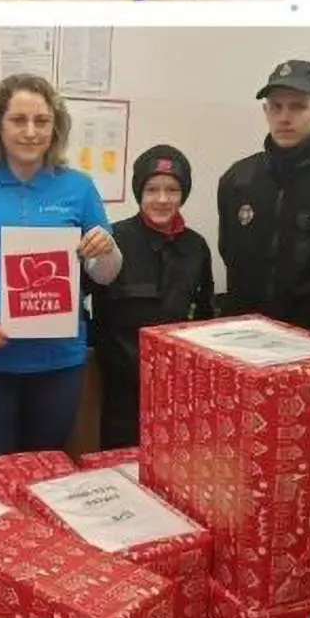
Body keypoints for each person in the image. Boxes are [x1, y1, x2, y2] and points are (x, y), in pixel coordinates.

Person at [0, 74, 122, 456]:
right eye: (18, 120)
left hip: (58, 361)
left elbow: (104, 273)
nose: (30, 132)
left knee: (46, 471)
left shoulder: (79, 187)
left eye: (42, 121)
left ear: (55, 128)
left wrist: (107, 249)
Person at [216, 58, 310, 331]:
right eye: (276, 107)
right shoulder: (238, 180)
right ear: (265, 111)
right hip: (246, 338)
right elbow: (230, 257)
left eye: (297, 106)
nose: (284, 117)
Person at [89, 145, 216, 449]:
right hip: (123, 389)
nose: (162, 199)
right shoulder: (112, 240)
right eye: (152, 189)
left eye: (172, 190)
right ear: (139, 192)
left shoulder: (196, 247)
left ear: (183, 195)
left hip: (180, 387)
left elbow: (205, 314)